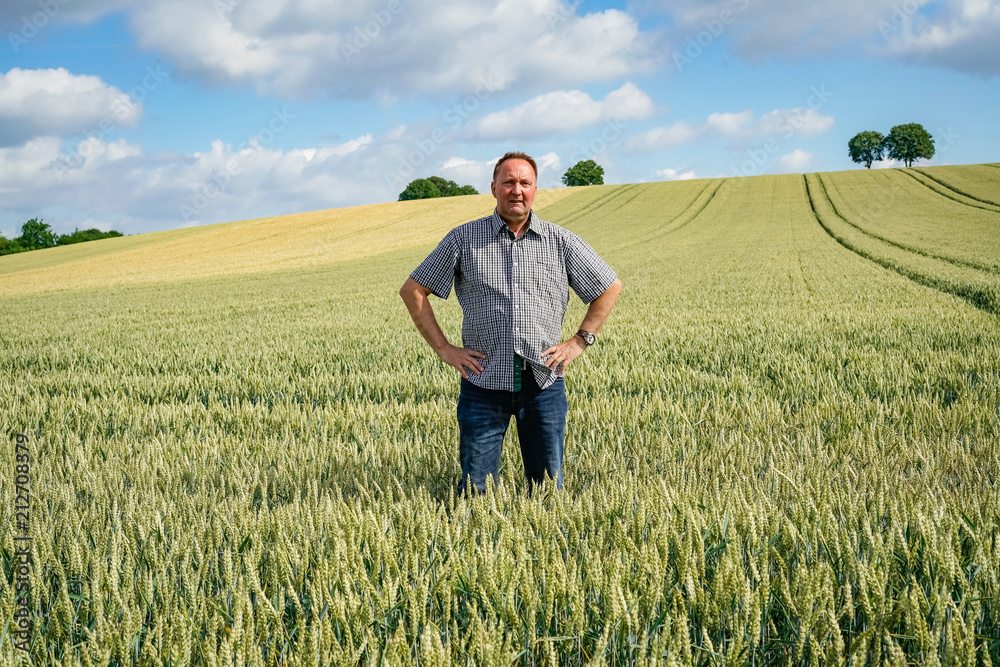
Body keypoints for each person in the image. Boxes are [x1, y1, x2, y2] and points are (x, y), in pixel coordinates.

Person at [399, 151, 622, 495]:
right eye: (508, 182)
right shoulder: (464, 239)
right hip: (483, 384)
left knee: (548, 490)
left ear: (535, 190)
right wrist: (444, 349)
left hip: (543, 383)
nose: (516, 190)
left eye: (524, 183)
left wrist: (579, 341)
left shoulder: (560, 241)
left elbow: (609, 286)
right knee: (475, 492)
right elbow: (413, 290)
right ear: (493, 188)